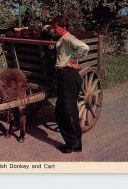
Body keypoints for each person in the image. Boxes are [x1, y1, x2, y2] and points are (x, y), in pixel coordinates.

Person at [48, 15, 89, 153]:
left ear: (63, 28)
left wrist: (73, 59)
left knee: (66, 112)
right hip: (64, 75)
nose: (54, 30)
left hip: (68, 75)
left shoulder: (67, 38)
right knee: (65, 111)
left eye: (56, 28)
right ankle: (75, 143)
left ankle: (73, 144)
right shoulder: (62, 38)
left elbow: (84, 47)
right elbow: (48, 29)